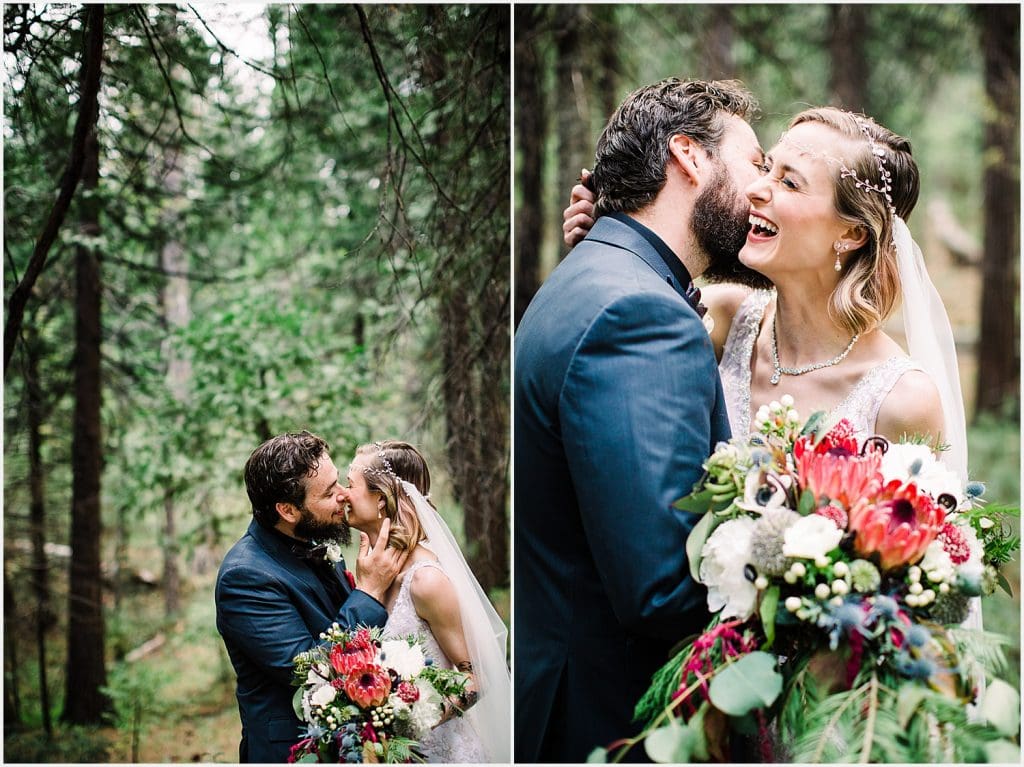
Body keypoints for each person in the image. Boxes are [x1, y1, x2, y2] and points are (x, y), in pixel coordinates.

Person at [514, 78, 770, 763]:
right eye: (756, 164)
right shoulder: (639, 313)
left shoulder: (591, 277)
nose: (764, 190)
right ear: (689, 156)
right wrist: (804, 577)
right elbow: (660, 589)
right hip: (622, 723)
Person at [563, 107, 969, 483]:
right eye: (766, 168)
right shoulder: (722, 318)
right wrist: (612, 242)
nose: (756, 188)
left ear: (851, 233)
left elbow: (912, 541)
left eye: (789, 182)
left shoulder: (904, 401)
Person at [215, 431, 407, 763]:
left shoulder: (311, 539)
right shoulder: (244, 578)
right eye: (330, 492)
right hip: (295, 751)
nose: (344, 495)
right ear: (288, 510)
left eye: (339, 482)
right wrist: (369, 592)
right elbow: (308, 669)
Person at [341, 440, 511, 763]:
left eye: (351, 484)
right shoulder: (371, 573)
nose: (343, 494)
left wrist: (414, 718)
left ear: (380, 499)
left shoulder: (425, 580)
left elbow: (477, 674)